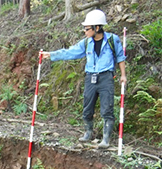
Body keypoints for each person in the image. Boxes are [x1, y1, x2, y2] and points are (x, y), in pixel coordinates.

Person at [42, 9, 127, 149]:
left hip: (106, 77)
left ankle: (106, 139)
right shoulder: (86, 43)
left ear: (97, 27)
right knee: (87, 108)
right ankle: (88, 132)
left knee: (107, 108)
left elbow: (120, 57)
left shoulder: (112, 40)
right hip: (90, 78)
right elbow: (70, 52)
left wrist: (123, 75)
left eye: (87, 28)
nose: (84, 31)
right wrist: (51, 55)